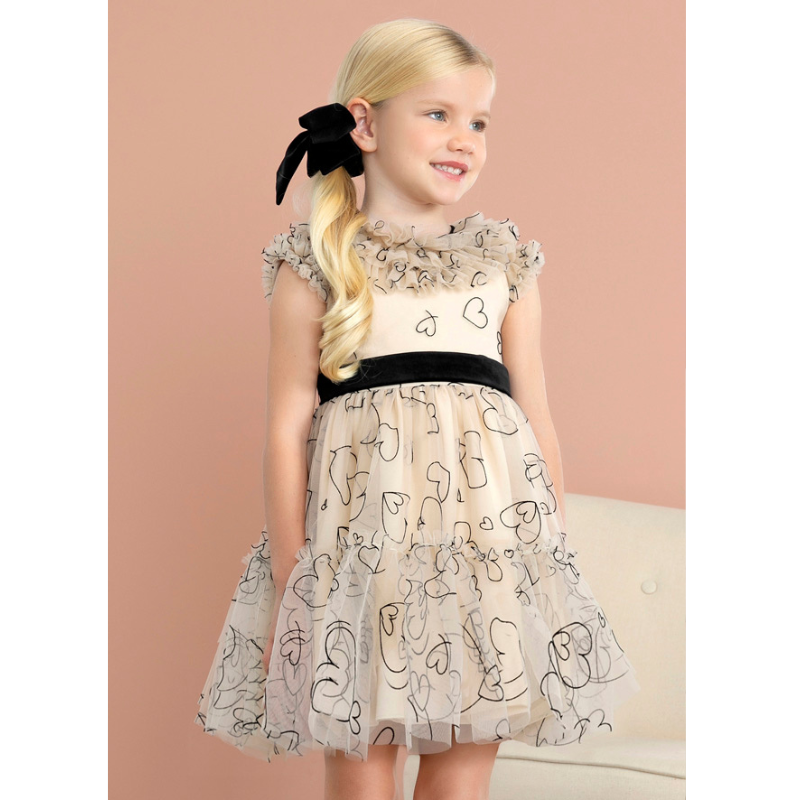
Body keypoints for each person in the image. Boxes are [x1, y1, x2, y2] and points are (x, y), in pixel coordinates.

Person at [195, 17, 640, 800]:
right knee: (360, 777)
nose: (463, 138)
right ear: (364, 124)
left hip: (485, 561)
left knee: (462, 780)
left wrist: (548, 559)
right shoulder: (317, 265)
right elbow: (286, 430)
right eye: (438, 114)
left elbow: (535, 417)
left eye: (479, 122)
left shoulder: (502, 265)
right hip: (361, 563)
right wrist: (297, 578)